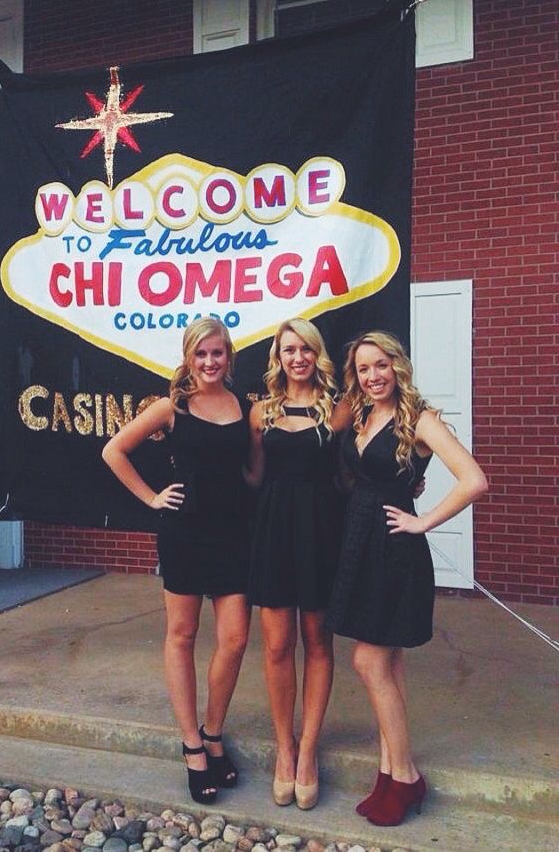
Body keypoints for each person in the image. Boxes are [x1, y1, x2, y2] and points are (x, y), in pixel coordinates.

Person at [328, 330, 488, 827]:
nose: (373, 376)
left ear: (398, 366)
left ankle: (406, 776)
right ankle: (387, 771)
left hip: (395, 548)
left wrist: (422, 519)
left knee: (368, 661)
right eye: (362, 368)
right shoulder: (361, 414)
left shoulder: (419, 419)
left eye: (381, 365)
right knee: (388, 664)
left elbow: (474, 479)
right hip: (360, 541)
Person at [102, 317, 250, 805]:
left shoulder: (243, 406)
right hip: (185, 534)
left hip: (234, 534)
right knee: (182, 636)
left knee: (234, 639)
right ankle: (192, 747)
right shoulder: (173, 406)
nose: (210, 362)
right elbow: (114, 450)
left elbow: (254, 472)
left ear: (229, 356)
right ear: (189, 357)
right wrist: (151, 498)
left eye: (218, 353)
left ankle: (213, 733)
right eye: (201, 354)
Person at [245, 318, 351, 810]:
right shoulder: (260, 413)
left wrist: (407, 482)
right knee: (277, 644)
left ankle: (308, 751)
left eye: (306, 348)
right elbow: (253, 477)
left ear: (317, 355)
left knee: (317, 641)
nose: (298, 357)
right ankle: (283, 748)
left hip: (321, 536)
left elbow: (353, 475)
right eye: (289, 349)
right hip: (273, 535)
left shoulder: (340, 410)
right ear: (278, 356)